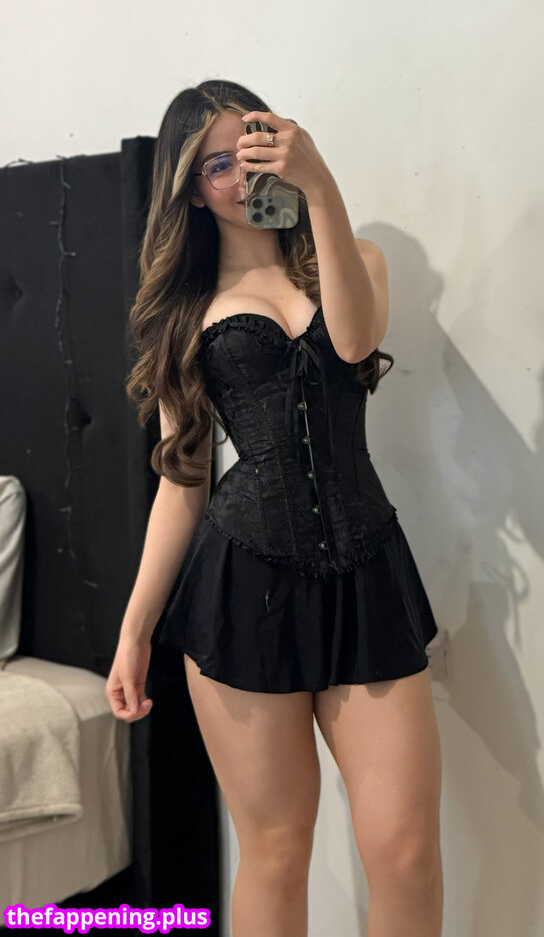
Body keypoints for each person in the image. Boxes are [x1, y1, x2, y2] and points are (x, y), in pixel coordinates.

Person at [104, 79, 443, 937]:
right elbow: (183, 482)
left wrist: (318, 185)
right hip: (242, 586)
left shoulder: (353, 258)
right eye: (215, 164)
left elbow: (354, 341)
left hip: (367, 569)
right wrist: (135, 631)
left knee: (405, 850)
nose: (238, 176)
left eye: (251, 149)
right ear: (190, 188)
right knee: (277, 850)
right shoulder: (185, 312)